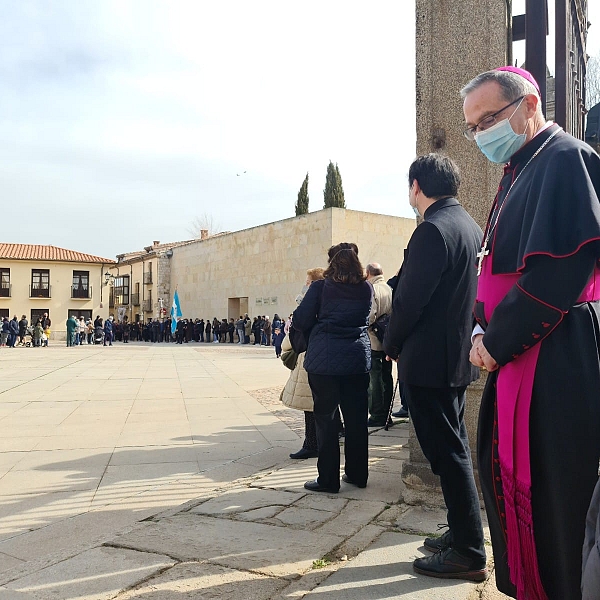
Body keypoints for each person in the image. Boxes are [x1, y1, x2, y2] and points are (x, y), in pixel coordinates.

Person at [461, 66, 600, 599]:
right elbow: (493, 265)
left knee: (558, 492)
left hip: (558, 353)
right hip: (520, 353)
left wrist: (493, 344)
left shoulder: (565, 158)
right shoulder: (518, 170)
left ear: (529, 103)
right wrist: (480, 324)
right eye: (472, 126)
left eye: (490, 118)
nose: (481, 135)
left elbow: (557, 273)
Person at [383, 154, 486, 582]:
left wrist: (391, 343)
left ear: (416, 186)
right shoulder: (467, 224)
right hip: (453, 358)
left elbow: (410, 300)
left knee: (447, 453)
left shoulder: (432, 230)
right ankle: (463, 532)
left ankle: (467, 551)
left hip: (428, 363)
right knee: (454, 447)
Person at [293, 242, 372, 493]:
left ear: (332, 264)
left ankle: (328, 479)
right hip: (357, 360)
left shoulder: (320, 288)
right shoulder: (366, 289)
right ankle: (357, 473)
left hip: (324, 360)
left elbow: (301, 319)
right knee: (357, 419)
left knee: (326, 421)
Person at [284, 267, 325, 459]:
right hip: (316, 353)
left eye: (307, 282)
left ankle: (312, 443)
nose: (304, 285)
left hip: (309, 354)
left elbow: (299, 324)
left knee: (310, 403)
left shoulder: (312, 301)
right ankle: (314, 442)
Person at [365, 263, 393, 427]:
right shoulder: (389, 288)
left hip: (374, 339)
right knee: (386, 377)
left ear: (368, 273)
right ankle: (387, 412)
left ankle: (377, 415)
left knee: (374, 380)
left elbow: (370, 315)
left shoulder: (372, 289)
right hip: (387, 339)